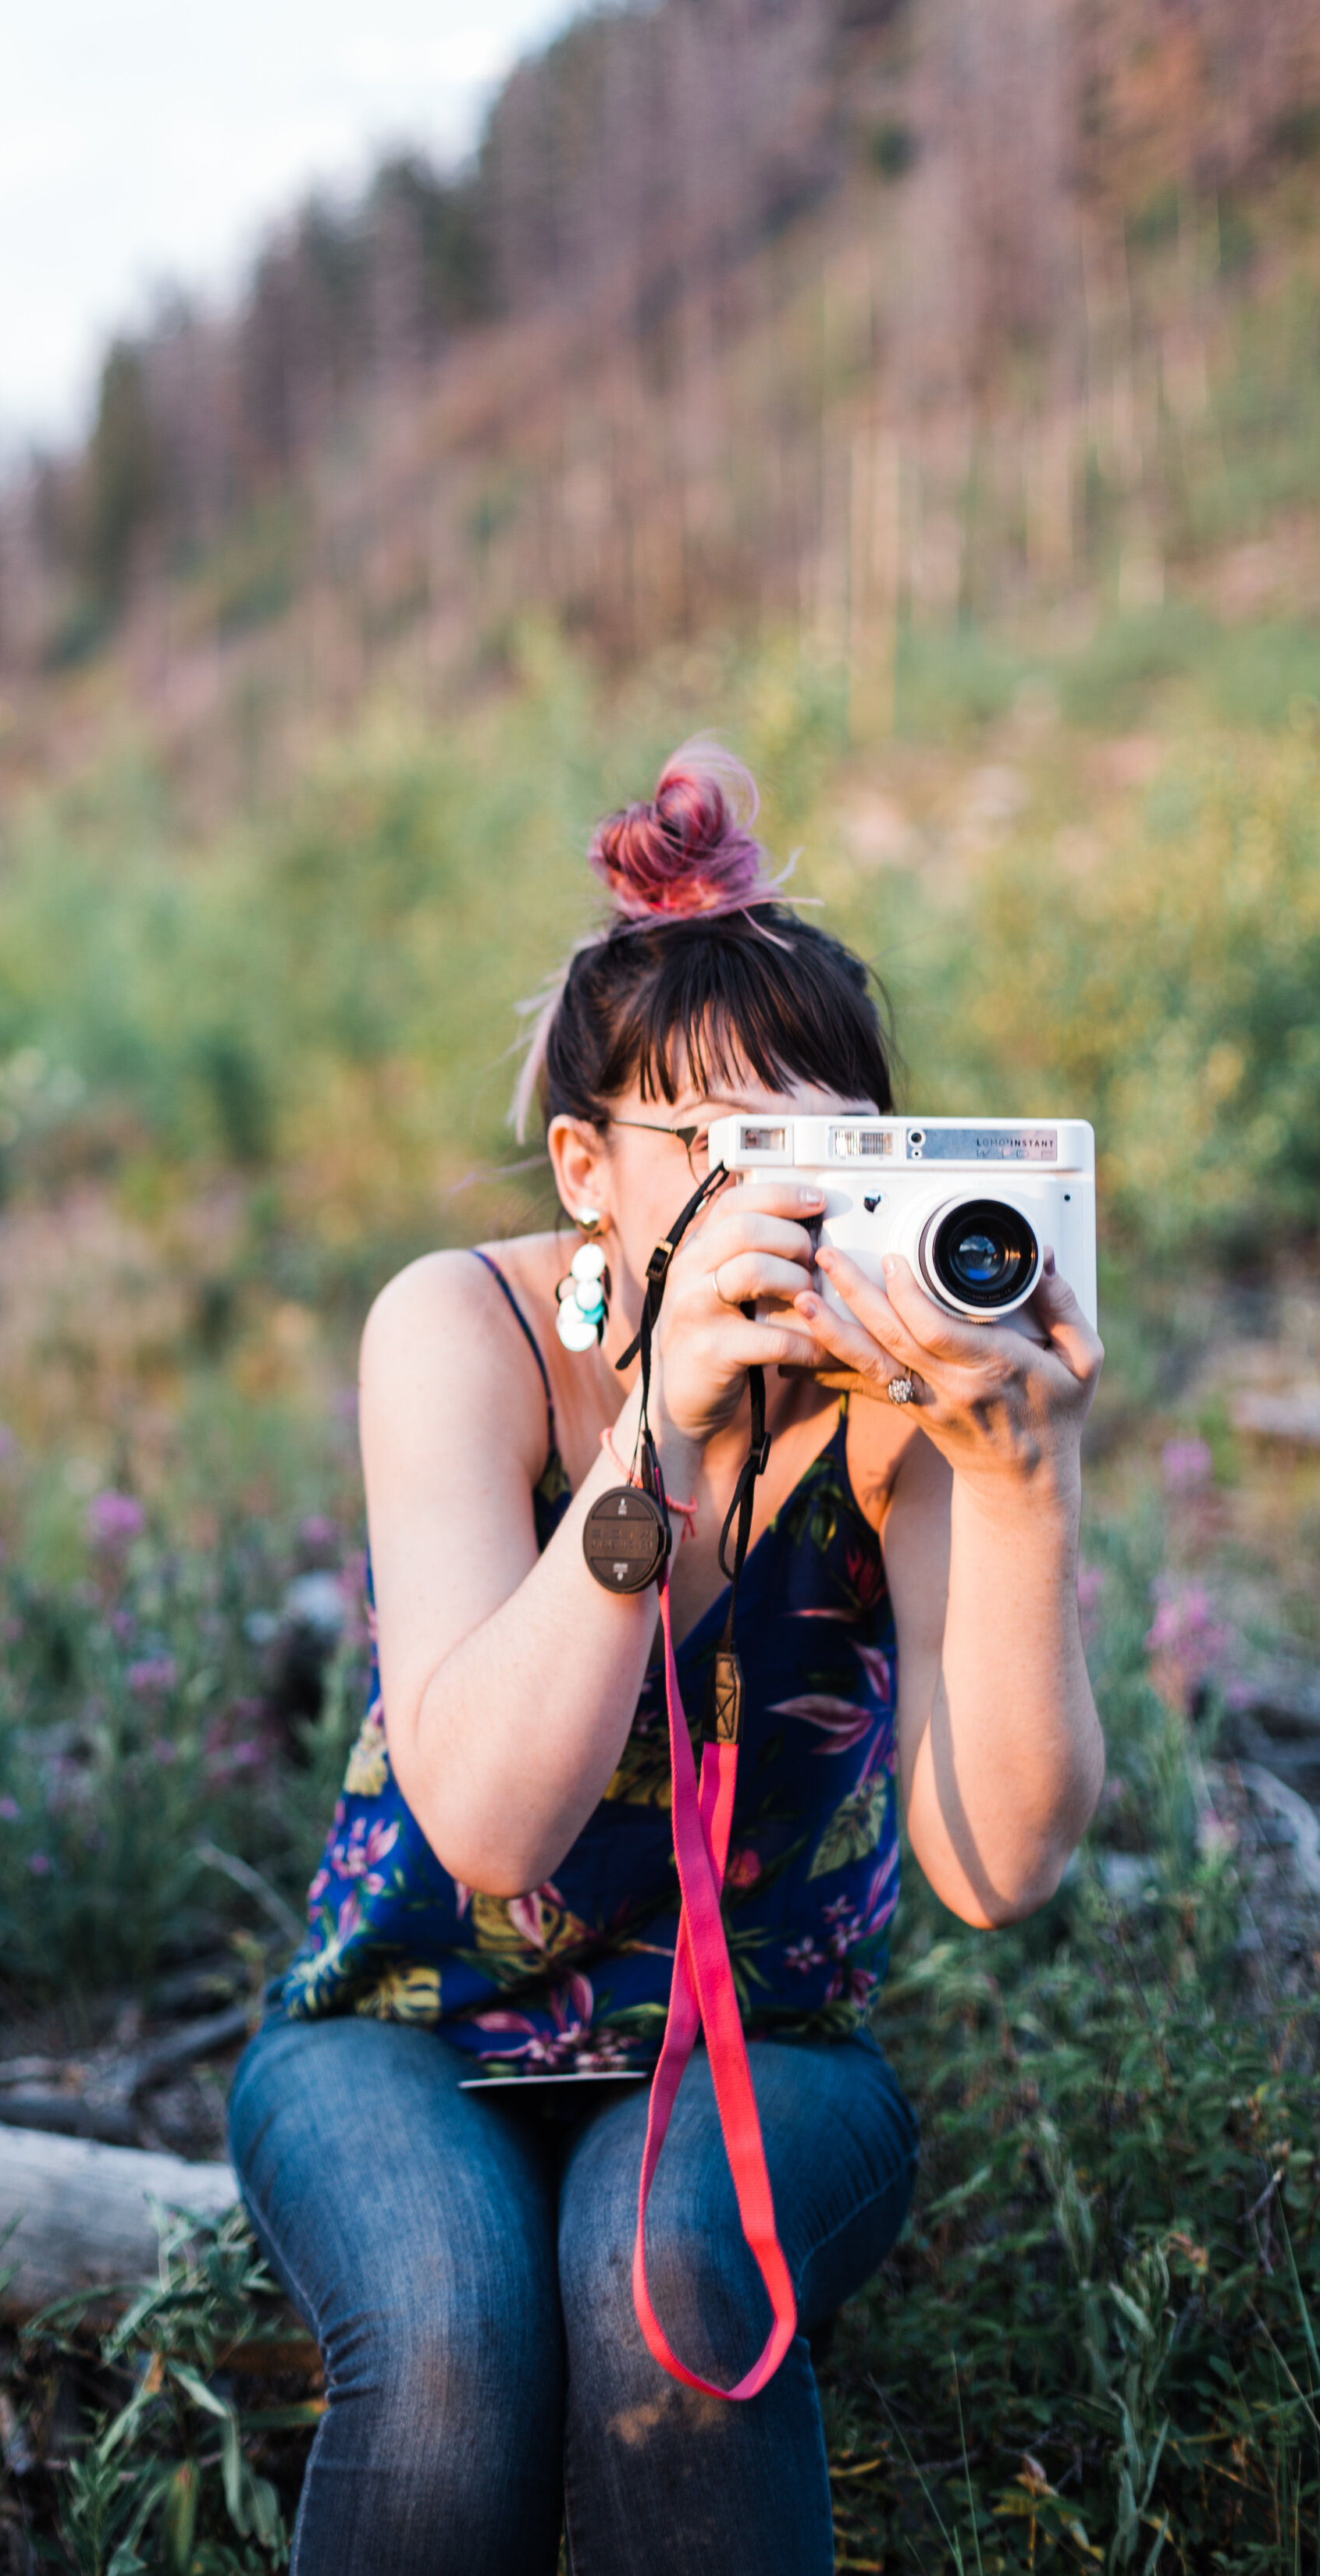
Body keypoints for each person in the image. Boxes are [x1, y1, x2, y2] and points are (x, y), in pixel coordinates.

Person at [229, 741, 1105, 2576]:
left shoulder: (901, 1396)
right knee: (458, 2335)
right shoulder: (457, 1330)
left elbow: (995, 1864)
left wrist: (1016, 1485)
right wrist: (658, 1440)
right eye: (720, 1153)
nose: (777, 1208)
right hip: (399, 2020)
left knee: (673, 2289)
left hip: (757, 2034)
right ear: (585, 1171)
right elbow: (486, 1828)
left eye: (825, 1153)